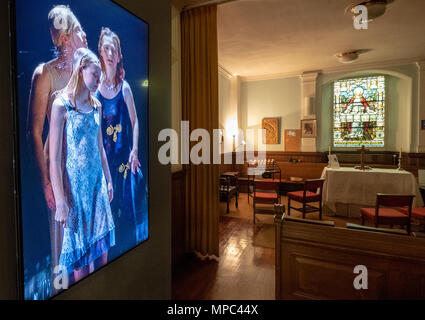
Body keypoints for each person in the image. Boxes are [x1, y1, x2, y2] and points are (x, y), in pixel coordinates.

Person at [26, 5, 87, 276]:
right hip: (59, 171)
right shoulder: (44, 74)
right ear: (63, 38)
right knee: (65, 252)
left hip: (85, 170)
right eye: (77, 31)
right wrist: (46, 183)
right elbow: (34, 132)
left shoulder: (84, 73)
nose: (83, 35)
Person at [49, 48, 115, 281]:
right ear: (81, 70)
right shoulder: (61, 105)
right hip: (77, 194)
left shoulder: (97, 105)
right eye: (95, 74)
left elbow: (100, 149)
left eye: (100, 75)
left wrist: (109, 179)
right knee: (81, 266)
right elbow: (55, 159)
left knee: (102, 259)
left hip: (97, 188)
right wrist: (60, 202)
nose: (100, 79)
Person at [96, 27, 145, 256]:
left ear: (118, 56)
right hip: (101, 164)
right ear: (100, 52)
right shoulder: (93, 88)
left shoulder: (124, 88)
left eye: (113, 49)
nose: (109, 52)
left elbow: (135, 122)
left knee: (126, 219)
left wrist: (135, 150)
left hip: (123, 163)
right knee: (103, 226)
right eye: (105, 48)